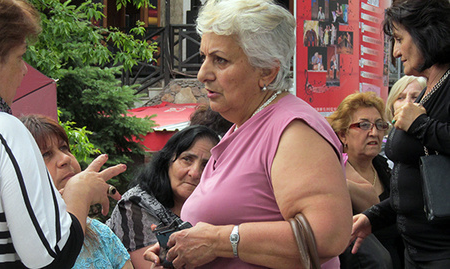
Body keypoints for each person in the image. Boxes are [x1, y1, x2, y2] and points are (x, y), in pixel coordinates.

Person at [144, 0, 352, 268]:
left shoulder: (294, 129)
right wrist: (182, 246)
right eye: (204, 57)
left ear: (267, 70)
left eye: (220, 60)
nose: (202, 74)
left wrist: (218, 241)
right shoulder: (243, 125)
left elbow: (328, 236)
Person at [0, 0, 124, 267]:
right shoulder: (2, 134)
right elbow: (50, 259)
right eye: (20, 57)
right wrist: (79, 192)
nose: (23, 71)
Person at [351, 0, 450, 268]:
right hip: (417, 251)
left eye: (398, 39)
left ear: (425, 33)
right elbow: (417, 181)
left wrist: (421, 125)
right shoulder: (433, 86)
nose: (395, 52)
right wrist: (374, 217)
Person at [20, 114, 133, 269]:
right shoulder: (23, 240)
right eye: (46, 154)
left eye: (63, 148)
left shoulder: (99, 232)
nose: (65, 158)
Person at [106, 125, 220, 269]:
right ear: (167, 162)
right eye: (187, 159)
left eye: (206, 165)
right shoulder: (135, 205)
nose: (195, 173)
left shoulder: (215, 210)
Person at [328, 92, 404, 269]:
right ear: (343, 135)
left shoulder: (386, 167)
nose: (374, 132)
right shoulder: (334, 172)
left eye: (379, 125)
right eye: (363, 125)